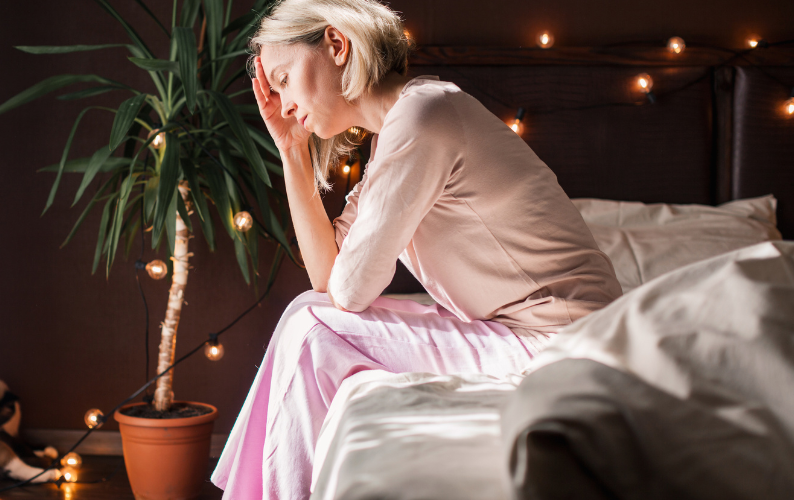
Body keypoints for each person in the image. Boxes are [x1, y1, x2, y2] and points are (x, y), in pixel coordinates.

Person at [211, 0, 622, 498]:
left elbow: (350, 290)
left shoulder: (425, 117)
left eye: (285, 78)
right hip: (518, 331)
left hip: (564, 340)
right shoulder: (397, 136)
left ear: (336, 45)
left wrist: (339, 284)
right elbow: (325, 278)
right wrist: (292, 151)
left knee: (315, 327)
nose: (285, 102)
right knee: (309, 313)